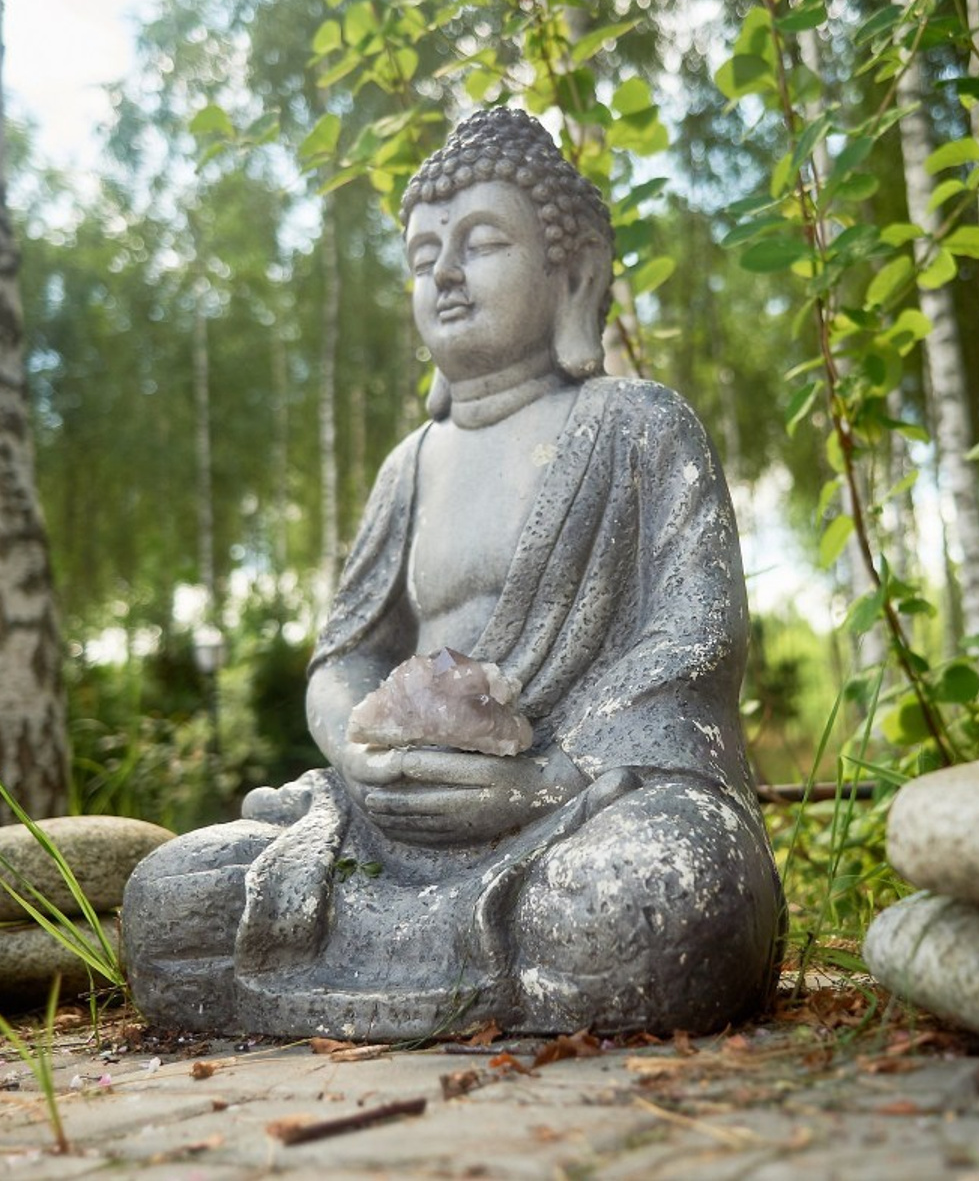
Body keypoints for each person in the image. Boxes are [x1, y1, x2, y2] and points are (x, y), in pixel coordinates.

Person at [124, 109, 783, 1039]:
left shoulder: (638, 426)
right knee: (169, 899)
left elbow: (693, 640)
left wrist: (556, 780)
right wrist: (357, 753)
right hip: (386, 829)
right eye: (424, 252)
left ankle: (520, 939)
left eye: (481, 243)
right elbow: (344, 660)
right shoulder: (411, 466)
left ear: (574, 273)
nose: (442, 273)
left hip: (580, 809)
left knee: (656, 898)